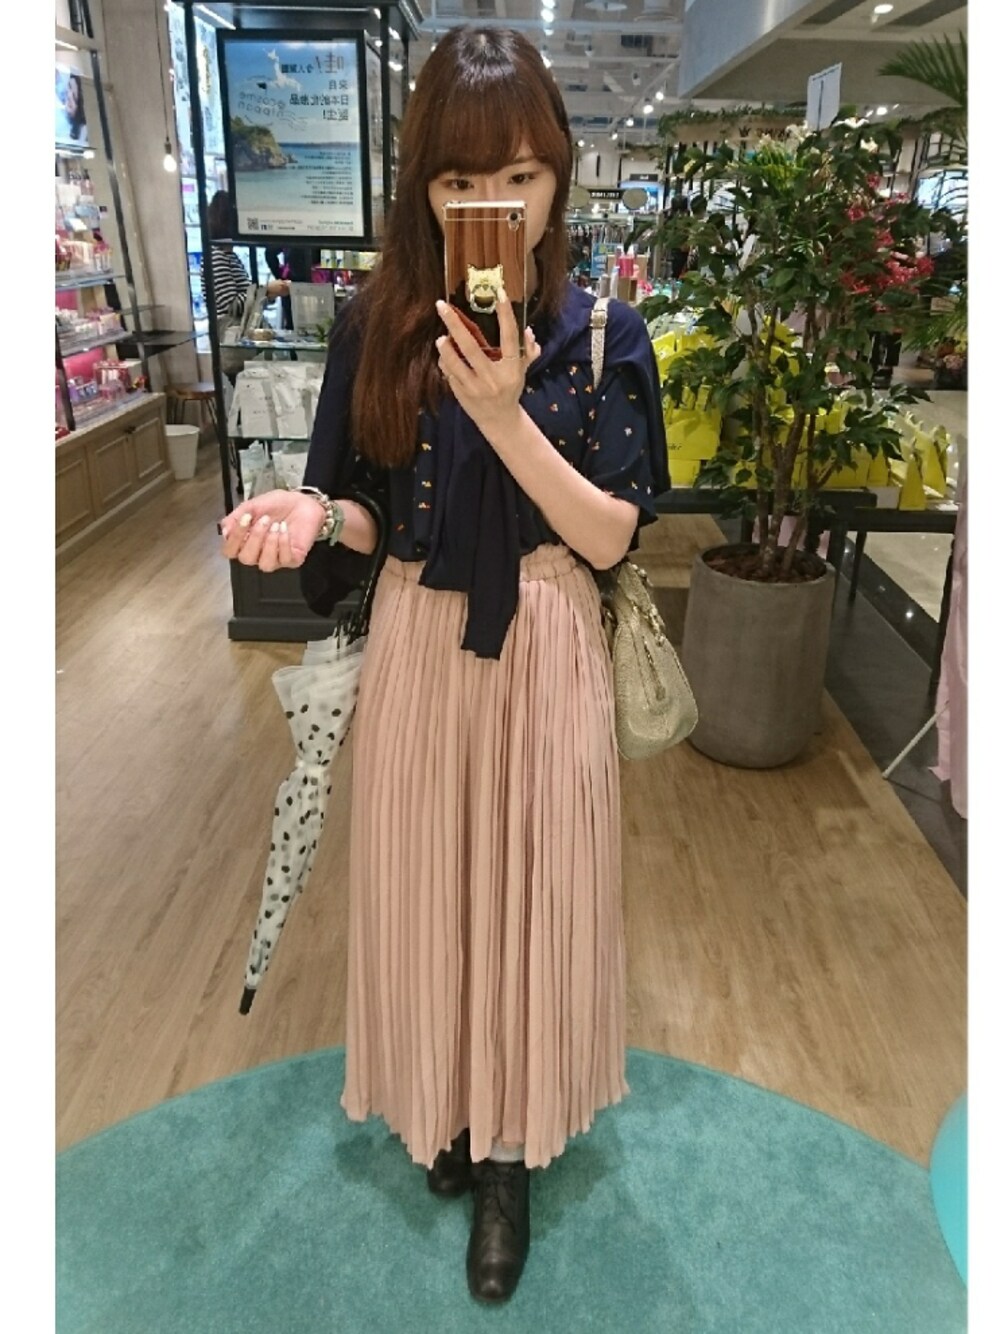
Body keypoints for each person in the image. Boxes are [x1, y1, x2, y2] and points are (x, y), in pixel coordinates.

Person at [220, 26, 668, 1304]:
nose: (497, 207)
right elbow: (368, 511)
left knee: (538, 886)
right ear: (422, 187)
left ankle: (510, 1150)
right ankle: (452, 1102)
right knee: (430, 884)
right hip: (420, 636)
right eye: (465, 180)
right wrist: (316, 514)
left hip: (547, 639)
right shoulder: (377, 324)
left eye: (522, 176)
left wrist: (503, 415)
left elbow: (609, 534)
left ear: (558, 176)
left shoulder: (601, 333)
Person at [201, 190, 288, 378]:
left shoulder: (228, 256)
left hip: (239, 341)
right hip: (233, 341)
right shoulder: (217, 257)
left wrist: (268, 293)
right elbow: (231, 306)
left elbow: (243, 299)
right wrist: (266, 290)